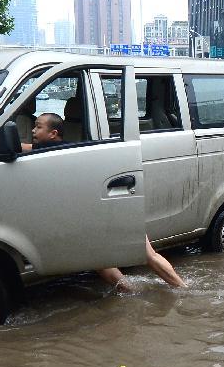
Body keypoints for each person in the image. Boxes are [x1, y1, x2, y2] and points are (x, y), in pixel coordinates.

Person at [19, 111, 186, 290]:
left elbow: (19, 147)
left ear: (53, 134)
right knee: (100, 261)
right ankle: (130, 291)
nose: (33, 130)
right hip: (94, 210)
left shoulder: (53, 150)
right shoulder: (59, 149)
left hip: (110, 206)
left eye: (38, 126)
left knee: (146, 254)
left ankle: (183, 289)